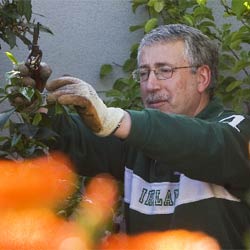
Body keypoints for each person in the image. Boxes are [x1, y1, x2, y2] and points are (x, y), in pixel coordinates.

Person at [20, 24, 250, 249]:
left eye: (164, 71)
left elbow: (204, 144)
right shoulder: (137, 141)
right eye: (143, 73)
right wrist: (38, 107)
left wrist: (112, 119)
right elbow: (76, 142)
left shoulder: (236, 130)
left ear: (202, 78)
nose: (150, 85)